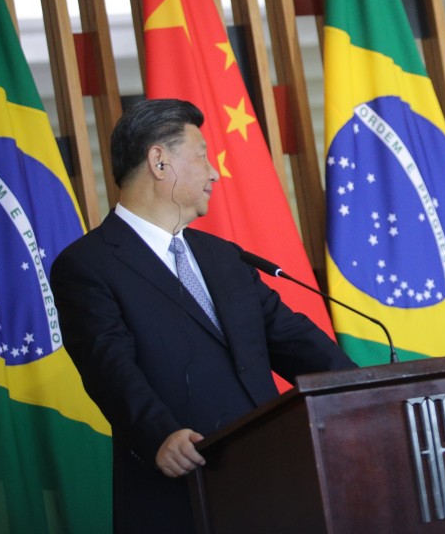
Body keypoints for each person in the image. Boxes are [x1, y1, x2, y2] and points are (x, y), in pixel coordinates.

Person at [51, 99, 356, 533]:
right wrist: (159, 435)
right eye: (202, 156)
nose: (215, 173)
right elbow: (108, 367)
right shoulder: (88, 264)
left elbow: (291, 338)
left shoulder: (223, 256)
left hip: (276, 479)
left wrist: (363, 391)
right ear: (159, 161)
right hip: (181, 489)